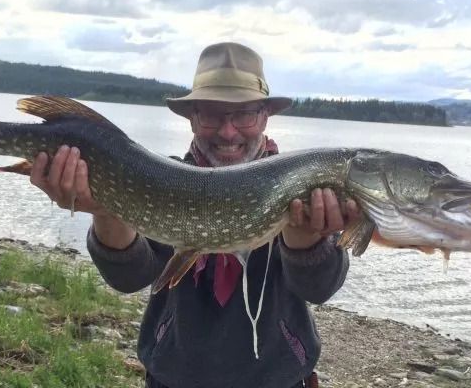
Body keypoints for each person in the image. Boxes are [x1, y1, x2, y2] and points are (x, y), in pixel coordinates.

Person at [29, 42, 359, 388]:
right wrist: (106, 210)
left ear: (264, 117)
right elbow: (129, 278)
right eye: (212, 115)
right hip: (174, 377)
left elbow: (319, 289)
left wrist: (306, 239)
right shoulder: (163, 181)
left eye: (244, 114)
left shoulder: (303, 186)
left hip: (279, 378)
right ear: (192, 119)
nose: (228, 132)